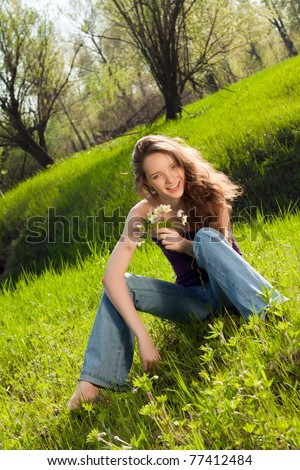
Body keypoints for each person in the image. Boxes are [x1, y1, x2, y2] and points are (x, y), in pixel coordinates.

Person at [67, 134, 288, 410]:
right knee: (123, 284)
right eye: (158, 176)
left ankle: (273, 314)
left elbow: (226, 257)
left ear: (182, 164)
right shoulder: (145, 212)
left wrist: (185, 245)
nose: (171, 179)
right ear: (147, 183)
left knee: (207, 237)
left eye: (174, 167)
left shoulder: (209, 194)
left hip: (230, 291)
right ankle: (93, 385)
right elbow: (110, 277)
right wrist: (143, 338)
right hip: (193, 301)